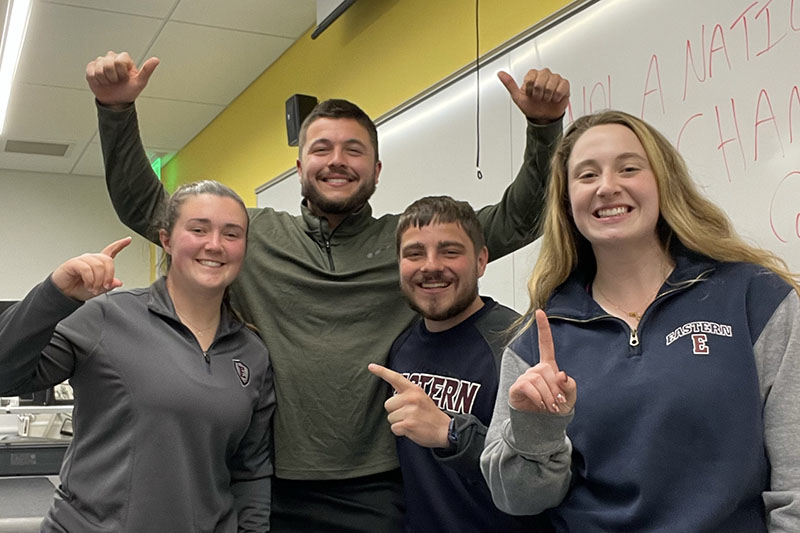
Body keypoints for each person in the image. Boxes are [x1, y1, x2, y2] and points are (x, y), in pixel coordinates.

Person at [85, 50, 570, 532]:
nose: (336, 161)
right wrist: (115, 111)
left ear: (377, 170)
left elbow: (519, 218)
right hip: (269, 483)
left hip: (379, 488)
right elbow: (148, 207)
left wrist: (545, 127)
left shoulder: (410, 246)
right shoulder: (249, 237)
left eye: (354, 150)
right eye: (321, 149)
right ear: (299, 166)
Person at [480, 110, 800, 531]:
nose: (608, 187)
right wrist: (537, 431)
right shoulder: (538, 343)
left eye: (629, 168)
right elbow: (517, 501)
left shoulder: (754, 297)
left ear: (663, 181)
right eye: (587, 176)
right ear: (566, 201)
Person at [0, 181, 275, 533]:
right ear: (166, 240)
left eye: (232, 234)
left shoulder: (252, 353)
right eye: (198, 229)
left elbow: (251, 471)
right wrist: (55, 295)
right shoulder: (104, 317)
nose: (215, 244)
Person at [368, 195, 546, 532]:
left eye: (450, 252)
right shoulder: (400, 349)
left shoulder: (517, 343)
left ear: (481, 261)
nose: (431, 266)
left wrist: (450, 434)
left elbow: (538, 478)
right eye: (414, 253)